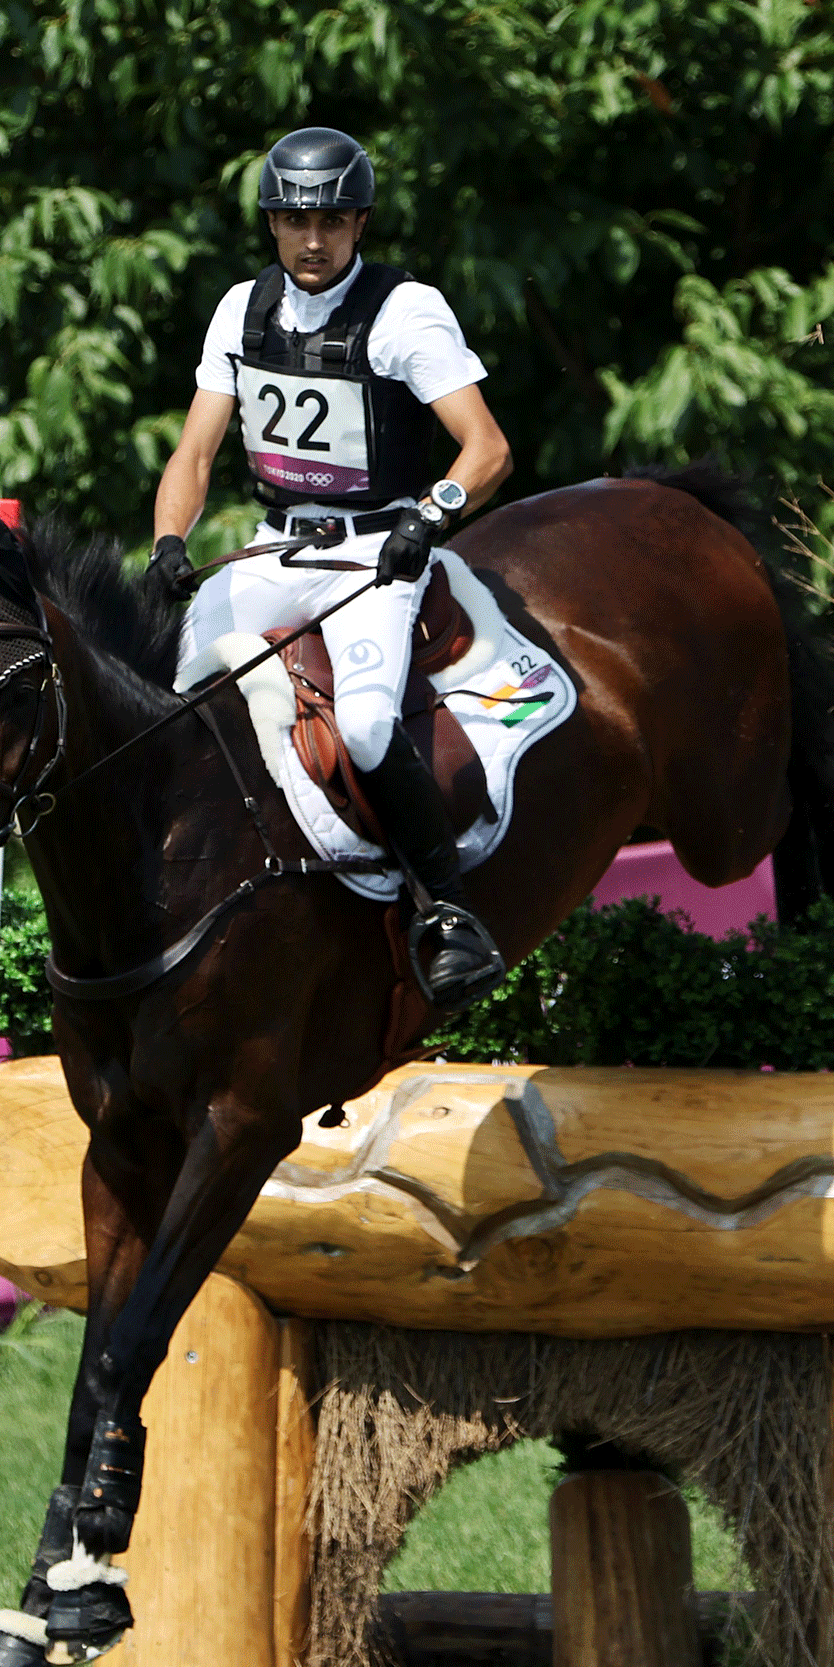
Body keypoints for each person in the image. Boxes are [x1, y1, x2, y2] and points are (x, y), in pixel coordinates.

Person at [150, 126, 513, 1009]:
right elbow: (195, 454)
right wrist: (167, 541)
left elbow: (487, 449)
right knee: (170, 700)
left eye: (336, 222)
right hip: (277, 542)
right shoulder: (241, 308)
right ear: (272, 223)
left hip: (374, 549)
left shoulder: (403, 312)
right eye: (297, 221)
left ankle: (449, 914)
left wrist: (431, 519)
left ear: (361, 223)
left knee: (361, 726)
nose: (315, 241)